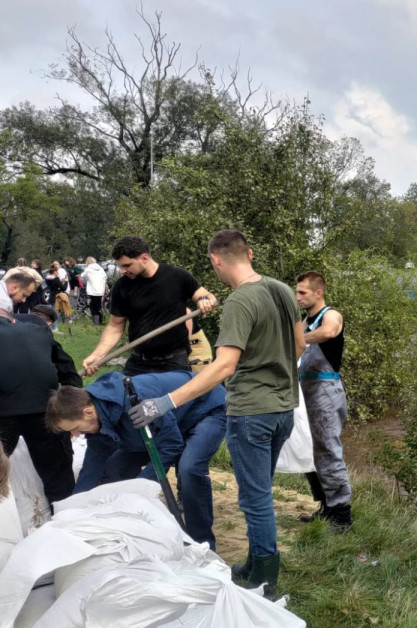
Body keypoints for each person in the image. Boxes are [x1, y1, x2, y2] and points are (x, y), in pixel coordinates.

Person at [129, 229, 303, 597]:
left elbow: (223, 366)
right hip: (284, 409)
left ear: (216, 260)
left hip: (252, 412)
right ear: (250, 253)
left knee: (254, 499)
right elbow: (299, 344)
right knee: (261, 491)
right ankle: (256, 562)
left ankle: (265, 581)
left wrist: (167, 402)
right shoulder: (284, 290)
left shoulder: (240, 301)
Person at [46, 371, 227, 549]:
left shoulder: (136, 399)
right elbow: (93, 465)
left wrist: (141, 486)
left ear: (88, 412)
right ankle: (125, 529)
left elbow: (171, 445)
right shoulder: (97, 415)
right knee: (115, 468)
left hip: (206, 408)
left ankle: (202, 543)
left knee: (189, 469)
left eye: (75, 428)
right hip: (158, 426)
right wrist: (74, 509)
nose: (75, 435)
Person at [82, 237, 217, 376]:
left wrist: (204, 300)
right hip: (139, 361)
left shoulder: (177, 276)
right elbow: (115, 326)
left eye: (127, 265)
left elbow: (207, 296)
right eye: (120, 266)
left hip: (174, 361)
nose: (122, 271)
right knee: (124, 395)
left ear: (144, 258)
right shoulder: (122, 286)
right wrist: (97, 356)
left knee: (174, 398)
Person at [0, 316, 81, 506]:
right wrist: (69, 414)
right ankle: (65, 517)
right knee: (58, 474)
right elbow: (68, 372)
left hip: (4, 412)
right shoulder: (38, 329)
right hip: (44, 408)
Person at [295, 271, 352, 531]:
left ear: (319, 292)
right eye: (296, 292)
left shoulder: (330, 315)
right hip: (304, 391)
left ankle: (342, 517)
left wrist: (297, 339)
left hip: (326, 391)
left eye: (303, 293)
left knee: (328, 451)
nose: (298, 297)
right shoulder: (302, 320)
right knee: (308, 449)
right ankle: (327, 507)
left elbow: (328, 332)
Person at [82, 257, 108, 324]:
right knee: (99, 306)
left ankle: (96, 322)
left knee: (92, 306)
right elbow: (105, 278)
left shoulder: (88, 269)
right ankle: (101, 320)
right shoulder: (101, 269)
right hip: (100, 290)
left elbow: (82, 276)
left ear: (88, 262)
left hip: (92, 291)